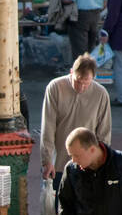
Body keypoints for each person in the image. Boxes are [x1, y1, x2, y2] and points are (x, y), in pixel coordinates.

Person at [40, 54, 111, 187]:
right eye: (78, 81)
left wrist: (101, 163)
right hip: (59, 163)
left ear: (93, 78)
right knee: (56, 204)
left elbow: (104, 133)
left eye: (86, 82)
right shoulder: (55, 87)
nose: (81, 87)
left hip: (88, 165)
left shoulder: (101, 94)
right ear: (71, 72)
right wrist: (47, 160)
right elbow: (48, 128)